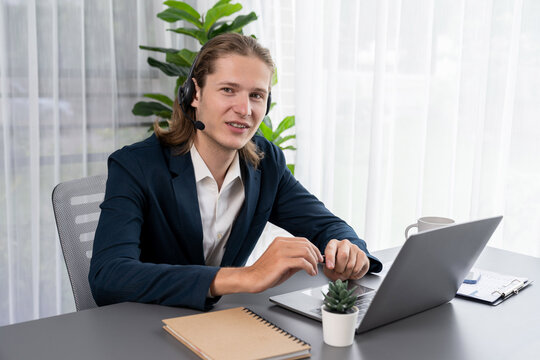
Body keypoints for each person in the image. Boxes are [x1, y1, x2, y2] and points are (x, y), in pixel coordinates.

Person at [89, 33, 382, 311]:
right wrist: (246, 277)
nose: (244, 109)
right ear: (194, 94)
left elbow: (326, 226)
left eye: (256, 95)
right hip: (142, 327)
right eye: (228, 90)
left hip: (223, 325)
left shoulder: (266, 165)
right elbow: (109, 275)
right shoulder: (136, 166)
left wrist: (348, 250)